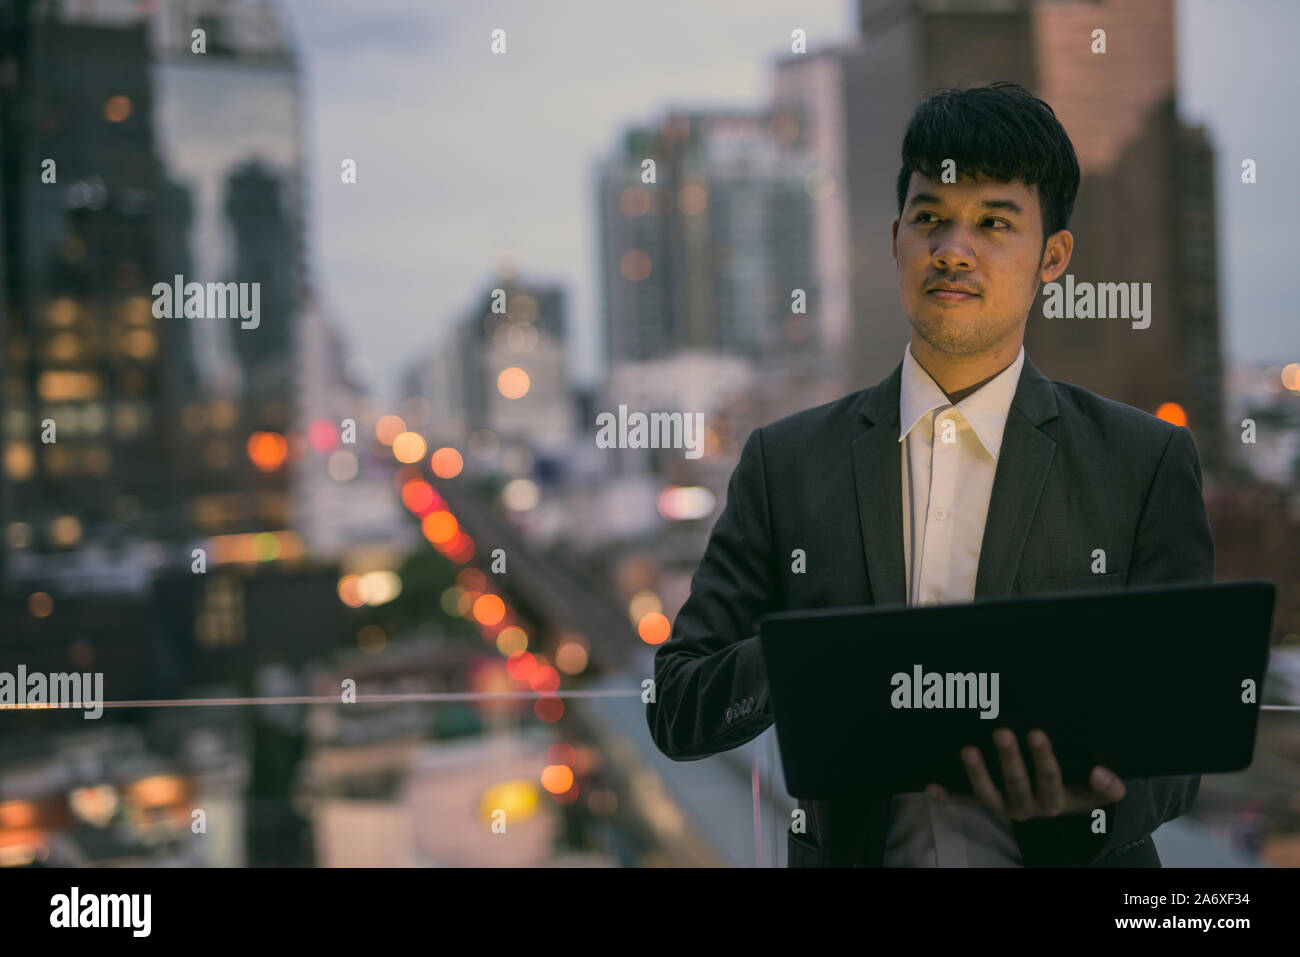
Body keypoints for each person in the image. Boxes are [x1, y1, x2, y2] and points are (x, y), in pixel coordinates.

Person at [645, 81, 1211, 867]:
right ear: (895, 239)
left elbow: (1186, 732)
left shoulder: (1141, 460)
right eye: (931, 217)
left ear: (1053, 257)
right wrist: (805, 658)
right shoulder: (787, 462)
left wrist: (1090, 804)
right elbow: (676, 706)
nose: (953, 247)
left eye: (993, 222)